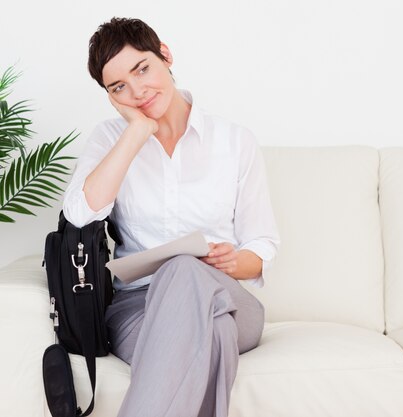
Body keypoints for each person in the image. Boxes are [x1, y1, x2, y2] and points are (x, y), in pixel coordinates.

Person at [62, 17, 280, 417]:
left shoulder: (234, 141)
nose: (138, 91)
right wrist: (136, 131)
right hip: (139, 307)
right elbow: (79, 213)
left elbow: (262, 246)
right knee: (212, 334)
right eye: (119, 88)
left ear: (165, 54)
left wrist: (233, 261)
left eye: (142, 69)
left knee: (183, 267)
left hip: (228, 300)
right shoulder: (111, 138)